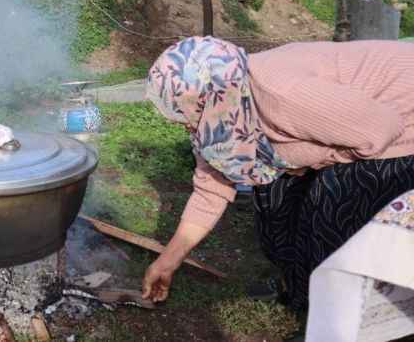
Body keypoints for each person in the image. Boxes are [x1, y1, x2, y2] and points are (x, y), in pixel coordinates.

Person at [141, 36, 414, 313]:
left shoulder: (282, 94)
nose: (188, 127)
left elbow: (383, 128)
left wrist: (313, 160)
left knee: (331, 199)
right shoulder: (222, 114)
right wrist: (168, 260)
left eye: (187, 116)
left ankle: (332, 313)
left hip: (403, 121)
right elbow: (211, 188)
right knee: (274, 196)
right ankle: (297, 285)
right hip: (356, 127)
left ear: (211, 97)